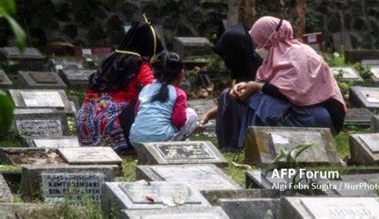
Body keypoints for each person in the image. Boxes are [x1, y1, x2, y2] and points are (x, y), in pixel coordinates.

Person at [215, 16, 347, 149]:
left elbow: (295, 92)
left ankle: (257, 146)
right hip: (303, 109)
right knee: (238, 96)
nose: (258, 48)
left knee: (264, 102)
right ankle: (240, 146)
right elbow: (269, 85)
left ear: (269, 39)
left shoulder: (298, 54)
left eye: (260, 43)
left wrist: (256, 86)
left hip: (322, 114)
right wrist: (244, 86)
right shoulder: (277, 56)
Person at [76, 21, 162, 151]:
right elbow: (154, 90)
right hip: (111, 125)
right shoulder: (139, 64)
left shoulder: (109, 60)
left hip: (84, 123)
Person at [199, 23, 262, 149]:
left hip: (257, 115)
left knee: (226, 95)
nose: (226, 59)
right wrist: (207, 115)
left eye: (228, 54)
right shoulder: (240, 69)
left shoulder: (259, 68)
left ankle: (236, 145)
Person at [130, 51, 198, 144]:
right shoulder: (179, 93)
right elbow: (179, 121)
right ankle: (175, 143)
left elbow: (137, 113)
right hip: (161, 140)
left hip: (136, 140)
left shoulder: (146, 88)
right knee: (192, 114)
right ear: (180, 73)